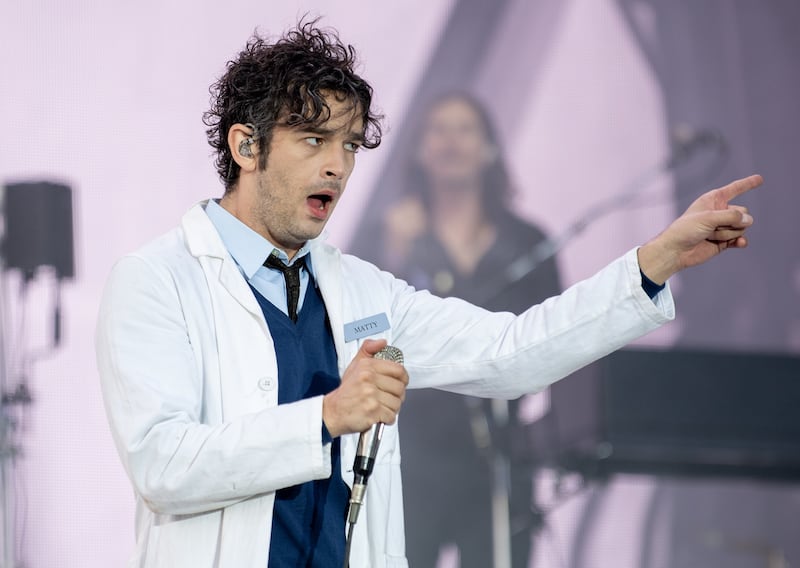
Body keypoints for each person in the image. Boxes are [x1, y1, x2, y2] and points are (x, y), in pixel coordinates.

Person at [95, 20, 761, 568]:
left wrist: (654, 261)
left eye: (351, 146)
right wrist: (326, 417)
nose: (337, 165)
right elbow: (163, 466)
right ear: (246, 145)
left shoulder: (359, 288)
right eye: (313, 139)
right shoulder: (159, 280)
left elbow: (511, 351)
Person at [377, 92, 562, 567]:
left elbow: (554, 340)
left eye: (465, 129)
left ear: (490, 148)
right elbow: (365, 334)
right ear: (419, 150)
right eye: (438, 129)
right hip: (412, 451)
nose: (451, 142)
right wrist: (395, 255)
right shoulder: (393, 237)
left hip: (499, 457)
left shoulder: (528, 242)